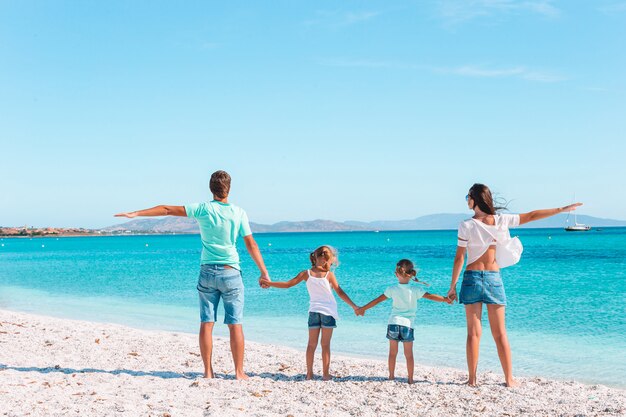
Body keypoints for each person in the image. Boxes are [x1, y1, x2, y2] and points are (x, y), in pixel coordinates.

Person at [115, 170, 269, 380]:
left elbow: (167, 209)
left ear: (211, 188)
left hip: (207, 271)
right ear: (229, 189)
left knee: (207, 322)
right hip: (230, 272)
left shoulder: (202, 209)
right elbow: (251, 244)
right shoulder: (238, 212)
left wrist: (136, 214)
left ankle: (207, 372)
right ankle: (239, 372)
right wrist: (263, 272)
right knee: (235, 324)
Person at [447, 183, 582, 387]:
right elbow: (532, 215)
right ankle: (509, 379)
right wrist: (560, 210)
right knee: (500, 332)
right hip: (493, 278)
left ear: (475, 199)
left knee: (473, 333)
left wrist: (452, 286)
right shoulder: (501, 221)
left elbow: (459, 258)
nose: (466, 200)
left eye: (467, 196)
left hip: (472, 277)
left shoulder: (466, 225)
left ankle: (472, 380)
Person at [260, 245, 359, 381]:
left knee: (311, 344)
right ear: (325, 260)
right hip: (328, 313)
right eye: (331, 261)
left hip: (313, 312)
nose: (331, 264)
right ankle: (325, 374)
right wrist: (354, 306)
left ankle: (309, 374)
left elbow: (288, 284)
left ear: (316, 257)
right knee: (325, 345)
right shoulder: (329, 275)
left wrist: (270, 283)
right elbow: (340, 292)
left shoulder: (306, 274)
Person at [356, 259, 451, 384]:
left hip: (393, 323)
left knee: (392, 353)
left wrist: (363, 308)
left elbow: (377, 300)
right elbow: (431, 296)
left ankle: (391, 376)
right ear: (411, 274)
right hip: (407, 325)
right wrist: (445, 299)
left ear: (396, 274)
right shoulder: (416, 290)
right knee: (409, 354)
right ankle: (411, 379)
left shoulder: (392, 289)